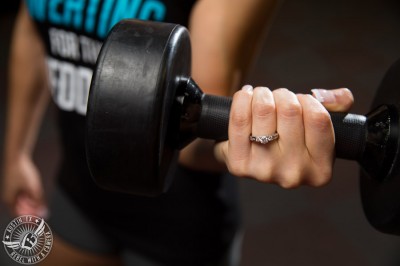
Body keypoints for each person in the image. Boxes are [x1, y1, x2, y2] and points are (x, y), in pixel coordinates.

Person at [1, 0, 354, 266]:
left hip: (176, 223)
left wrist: (259, 139)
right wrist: (16, 152)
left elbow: (192, 134)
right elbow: (33, 28)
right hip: (79, 185)